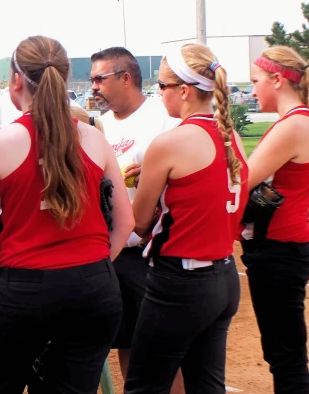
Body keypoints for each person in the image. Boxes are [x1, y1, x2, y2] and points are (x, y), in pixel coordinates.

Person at [0, 35, 133, 393]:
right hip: (94, 286)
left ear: (16, 80)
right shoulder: (93, 138)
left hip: (27, 284)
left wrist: (12, 289)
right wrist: (96, 268)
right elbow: (126, 222)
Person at [125, 43, 248, 394]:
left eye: (161, 86)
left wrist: (121, 186)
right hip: (223, 276)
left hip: (180, 283)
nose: (158, 93)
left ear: (183, 90)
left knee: (144, 386)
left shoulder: (170, 143)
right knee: (207, 387)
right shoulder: (231, 136)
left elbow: (138, 223)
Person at [241, 46, 309, 393]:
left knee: (286, 359)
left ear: (277, 80)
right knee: (284, 356)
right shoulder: (298, 121)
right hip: (281, 250)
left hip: (279, 252)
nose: (252, 90)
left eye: (256, 81)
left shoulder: (295, 124)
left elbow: (241, 181)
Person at [90, 47, 183, 392]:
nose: (94, 86)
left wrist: (159, 174)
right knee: (127, 341)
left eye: (100, 78)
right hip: (115, 252)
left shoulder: (164, 119)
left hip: (153, 252)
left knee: (164, 350)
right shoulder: (98, 126)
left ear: (125, 78)